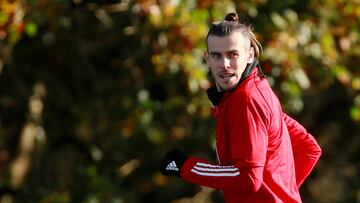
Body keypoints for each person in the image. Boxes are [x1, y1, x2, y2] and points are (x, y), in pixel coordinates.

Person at [160, 12, 322, 203]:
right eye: (216, 56)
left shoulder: (247, 100)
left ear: (249, 55)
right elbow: (309, 148)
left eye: (233, 54)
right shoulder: (257, 91)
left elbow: (249, 178)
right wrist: (280, 194)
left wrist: (185, 166)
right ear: (207, 58)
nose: (225, 64)